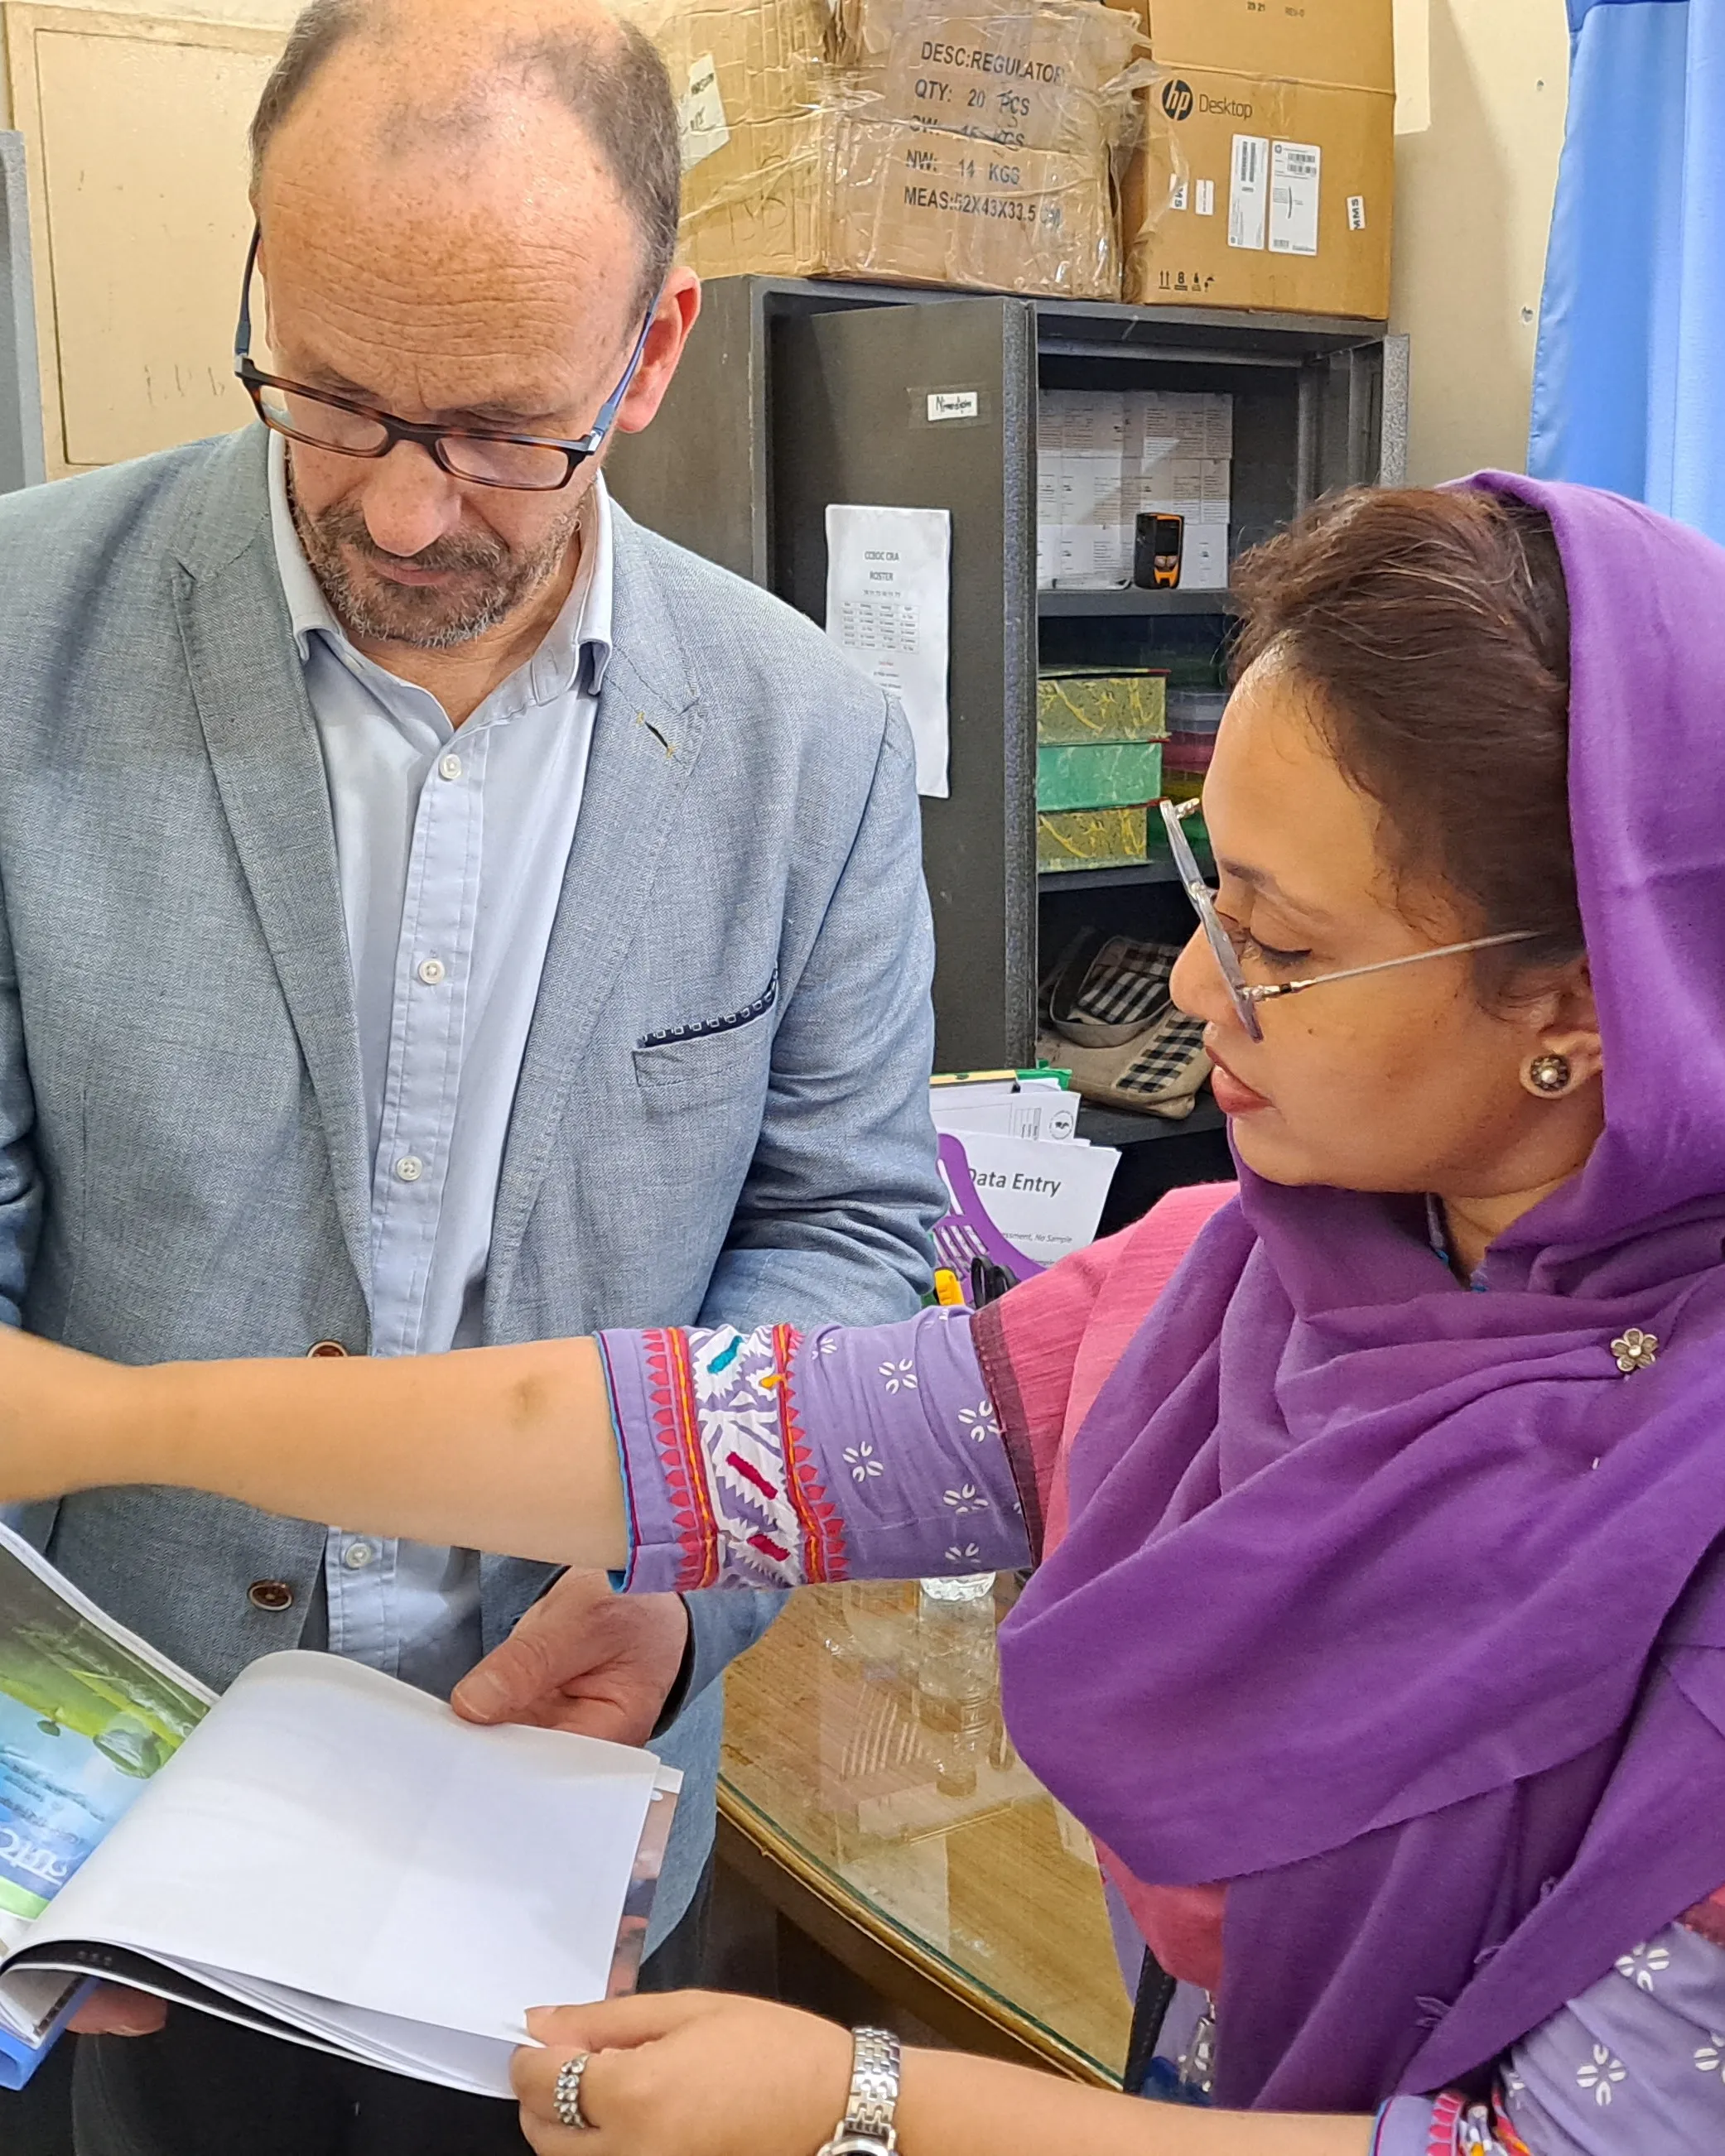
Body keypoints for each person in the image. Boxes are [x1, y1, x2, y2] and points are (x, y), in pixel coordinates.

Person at [7, 474, 1724, 2156]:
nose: (1198, 981)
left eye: (1280, 944)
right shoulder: (1229, 1289)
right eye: (1211, 890)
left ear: (1575, 1005)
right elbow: (706, 1433)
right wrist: (115, 1418)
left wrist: (860, 2108)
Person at [0, 0, 945, 2148]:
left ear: (652, 347)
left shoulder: (808, 747)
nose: (409, 510)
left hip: (573, 1851)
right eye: (334, 398)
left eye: (509, 431)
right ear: (264, 259)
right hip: (128, 1821)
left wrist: (676, 1589)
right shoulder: (21, 642)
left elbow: (844, 1234)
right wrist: (27, 1753)